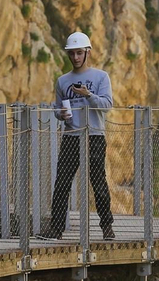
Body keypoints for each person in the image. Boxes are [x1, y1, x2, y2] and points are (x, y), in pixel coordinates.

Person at [39, 32, 115, 241]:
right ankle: (56, 229)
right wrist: (60, 114)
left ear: (87, 52)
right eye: (72, 54)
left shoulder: (101, 77)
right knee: (62, 182)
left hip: (94, 135)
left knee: (98, 181)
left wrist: (88, 95)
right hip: (71, 135)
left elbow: (107, 105)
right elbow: (57, 108)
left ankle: (107, 226)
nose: (75, 57)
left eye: (79, 53)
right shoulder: (62, 81)